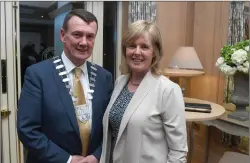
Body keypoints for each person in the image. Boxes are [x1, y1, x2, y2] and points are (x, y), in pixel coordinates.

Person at [17, 9, 113, 163]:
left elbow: (110, 127)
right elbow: (27, 130)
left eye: (90, 36)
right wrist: (67, 159)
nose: (83, 42)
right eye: (77, 34)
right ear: (63, 35)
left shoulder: (104, 77)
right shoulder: (38, 75)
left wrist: (97, 156)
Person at [100, 20, 188, 163]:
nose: (137, 52)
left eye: (144, 47)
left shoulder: (168, 90)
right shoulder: (120, 82)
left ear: (155, 52)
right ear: (125, 50)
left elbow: (178, 151)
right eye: (132, 46)